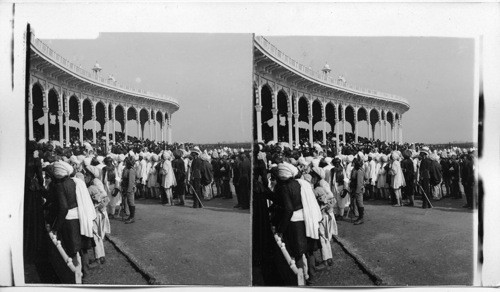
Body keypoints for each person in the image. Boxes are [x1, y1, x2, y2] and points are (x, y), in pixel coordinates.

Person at [121, 156, 137, 223]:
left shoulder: (131, 170)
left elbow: (131, 182)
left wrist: (128, 190)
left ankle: (132, 217)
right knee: (128, 202)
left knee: (131, 202)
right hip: (126, 187)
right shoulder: (126, 169)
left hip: (129, 188)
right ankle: (130, 216)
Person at [350, 158, 365, 225]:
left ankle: (361, 218)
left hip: (358, 189)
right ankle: (359, 217)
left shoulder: (359, 171)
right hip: (355, 188)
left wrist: (357, 191)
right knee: (357, 202)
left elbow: (359, 182)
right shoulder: (356, 170)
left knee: (359, 203)